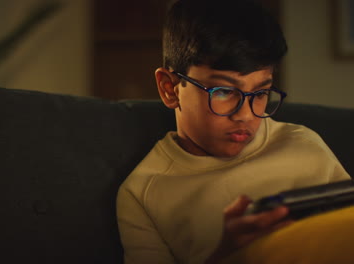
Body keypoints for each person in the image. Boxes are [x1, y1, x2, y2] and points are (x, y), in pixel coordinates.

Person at [116, 0, 351, 263]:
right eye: (224, 91)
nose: (246, 115)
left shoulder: (304, 143)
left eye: (261, 93)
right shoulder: (141, 194)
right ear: (170, 88)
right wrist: (225, 255)